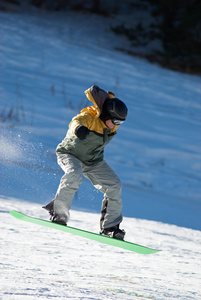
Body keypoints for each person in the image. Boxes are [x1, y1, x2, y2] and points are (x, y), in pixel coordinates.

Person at [43, 85, 128, 240]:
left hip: (93, 161)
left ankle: (110, 227)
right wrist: (78, 129)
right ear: (107, 115)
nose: (117, 125)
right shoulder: (90, 116)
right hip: (69, 154)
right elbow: (75, 121)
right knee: (74, 174)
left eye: (120, 123)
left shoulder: (111, 126)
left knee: (114, 185)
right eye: (116, 121)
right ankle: (59, 214)